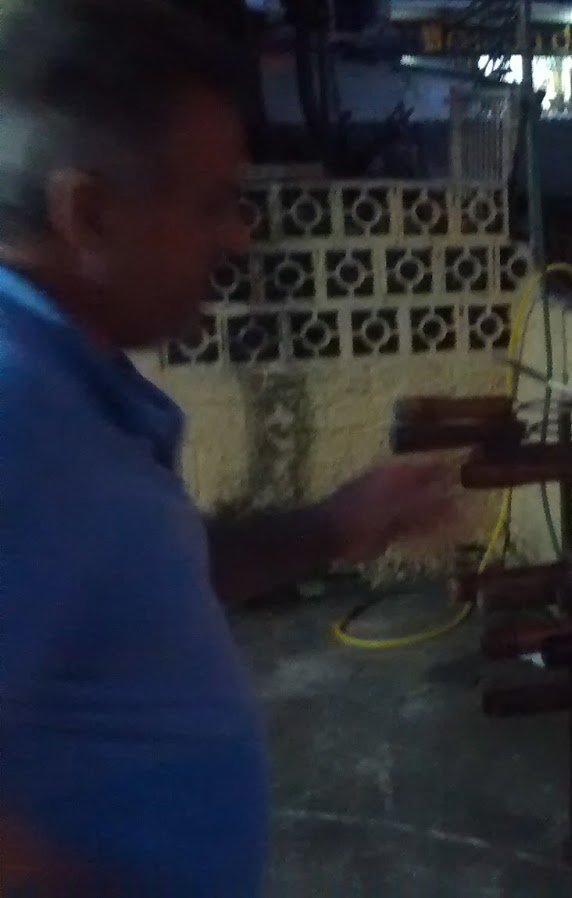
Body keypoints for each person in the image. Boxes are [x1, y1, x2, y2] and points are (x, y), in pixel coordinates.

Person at [0, 1, 460, 894]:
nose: (239, 237)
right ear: (89, 214)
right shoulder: (15, 411)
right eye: (212, 204)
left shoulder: (66, 386)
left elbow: (144, 577)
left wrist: (334, 525)